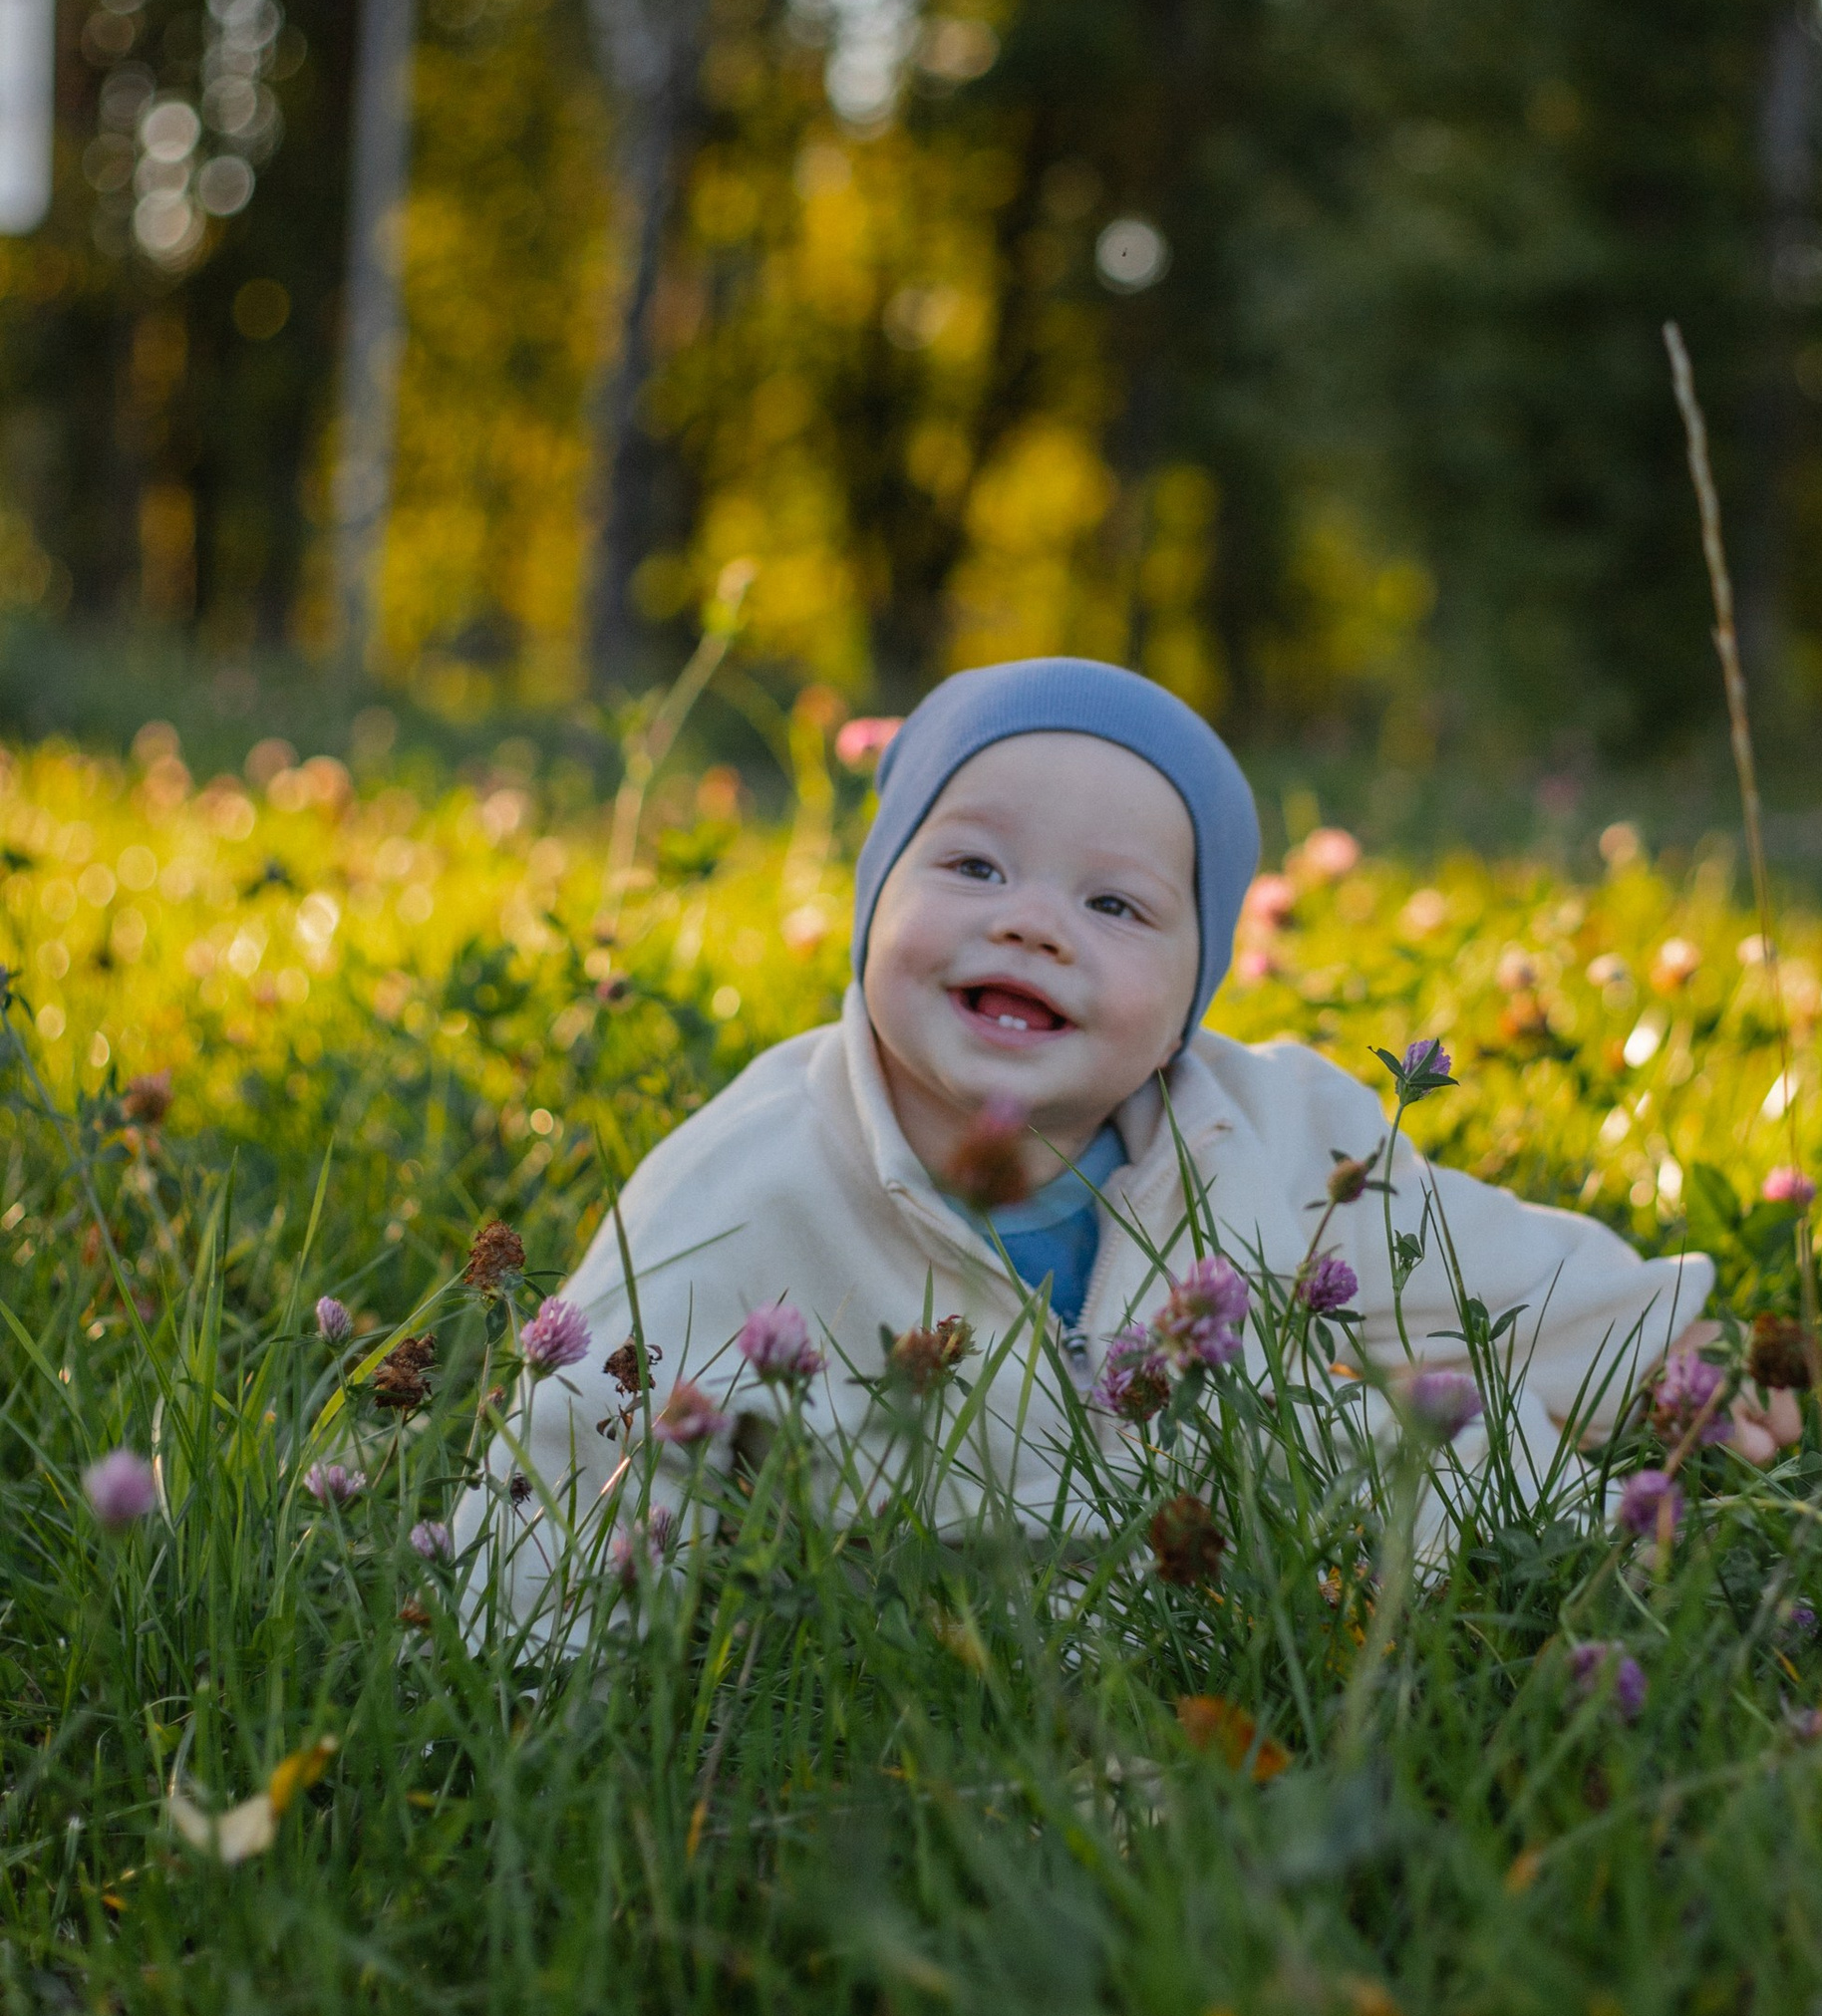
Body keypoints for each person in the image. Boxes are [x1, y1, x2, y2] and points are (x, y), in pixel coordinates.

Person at [456, 658, 1756, 1633]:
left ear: (1197, 984)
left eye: (1116, 904)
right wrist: (529, 1645)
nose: (1032, 926)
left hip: (1259, 1567)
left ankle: (1626, 1595)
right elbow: (580, 1436)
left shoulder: (1283, 1131)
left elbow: (1474, 1275)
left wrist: (1663, 1352)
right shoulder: (751, 1175)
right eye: (971, 868)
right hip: (910, 1620)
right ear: (873, 899)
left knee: (1443, 1444)